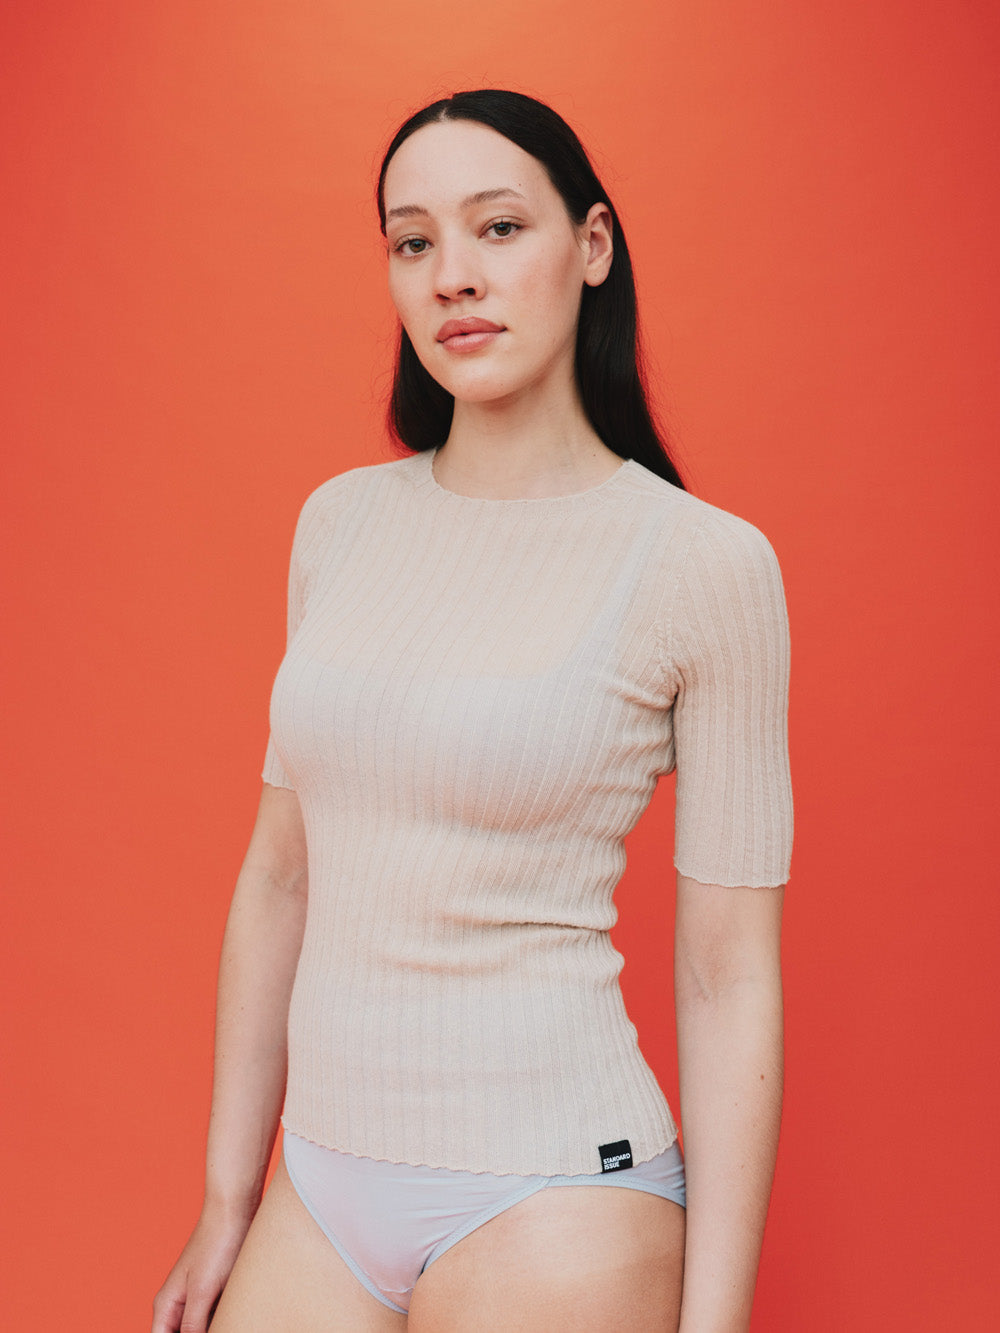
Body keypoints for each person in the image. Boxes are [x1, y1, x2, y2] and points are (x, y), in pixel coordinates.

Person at [153, 89, 792, 1333]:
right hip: (321, 1189)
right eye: (413, 241)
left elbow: (726, 972)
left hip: (554, 1192)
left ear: (591, 248)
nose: (454, 275)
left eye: (498, 228)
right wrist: (229, 1193)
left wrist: (716, 1324)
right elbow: (282, 875)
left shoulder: (700, 565)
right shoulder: (339, 524)